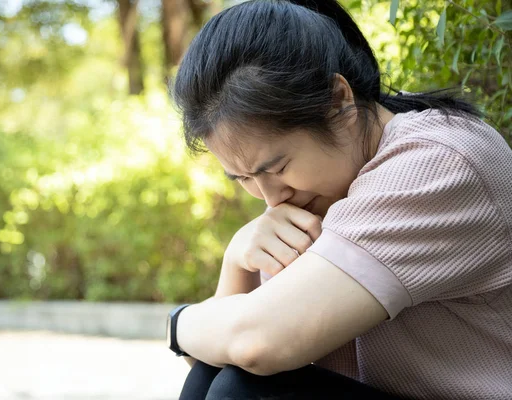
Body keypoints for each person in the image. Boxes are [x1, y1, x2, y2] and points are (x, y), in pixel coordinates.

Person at [166, 0, 512, 399]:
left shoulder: (437, 163)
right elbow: (215, 355)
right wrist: (237, 258)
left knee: (246, 388)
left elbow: (257, 343)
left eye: (276, 168)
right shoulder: (316, 194)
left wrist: (178, 324)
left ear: (337, 100)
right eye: (244, 177)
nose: (271, 198)